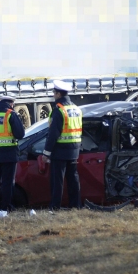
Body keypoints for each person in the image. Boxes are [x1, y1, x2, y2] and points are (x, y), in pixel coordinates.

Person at [40, 80, 82, 209]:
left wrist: (46, 153)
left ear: (58, 94)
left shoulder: (59, 110)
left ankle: (55, 206)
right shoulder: (76, 109)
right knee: (73, 179)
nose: (53, 95)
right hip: (74, 150)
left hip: (60, 151)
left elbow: (53, 134)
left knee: (57, 181)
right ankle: (75, 205)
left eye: (54, 93)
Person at [0, 94, 25, 211]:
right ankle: (6, 206)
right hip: (9, 154)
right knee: (7, 182)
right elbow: (20, 134)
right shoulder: (10, 114)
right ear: (11, 104)